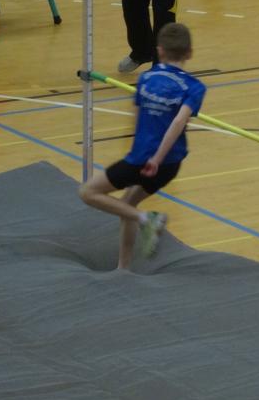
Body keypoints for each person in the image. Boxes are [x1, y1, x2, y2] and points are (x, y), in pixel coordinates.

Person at [79, 23, 207, 269]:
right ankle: (123, 267)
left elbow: (139, 118)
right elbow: (180, 122)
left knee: (88, 192)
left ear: (159, 51)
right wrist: (160, 159)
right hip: (170, 165)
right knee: (126, 205)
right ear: (190, 53)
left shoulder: (146, 78)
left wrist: (151, 157)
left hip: (144, 160)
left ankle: (146, 219)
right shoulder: (195, 87)